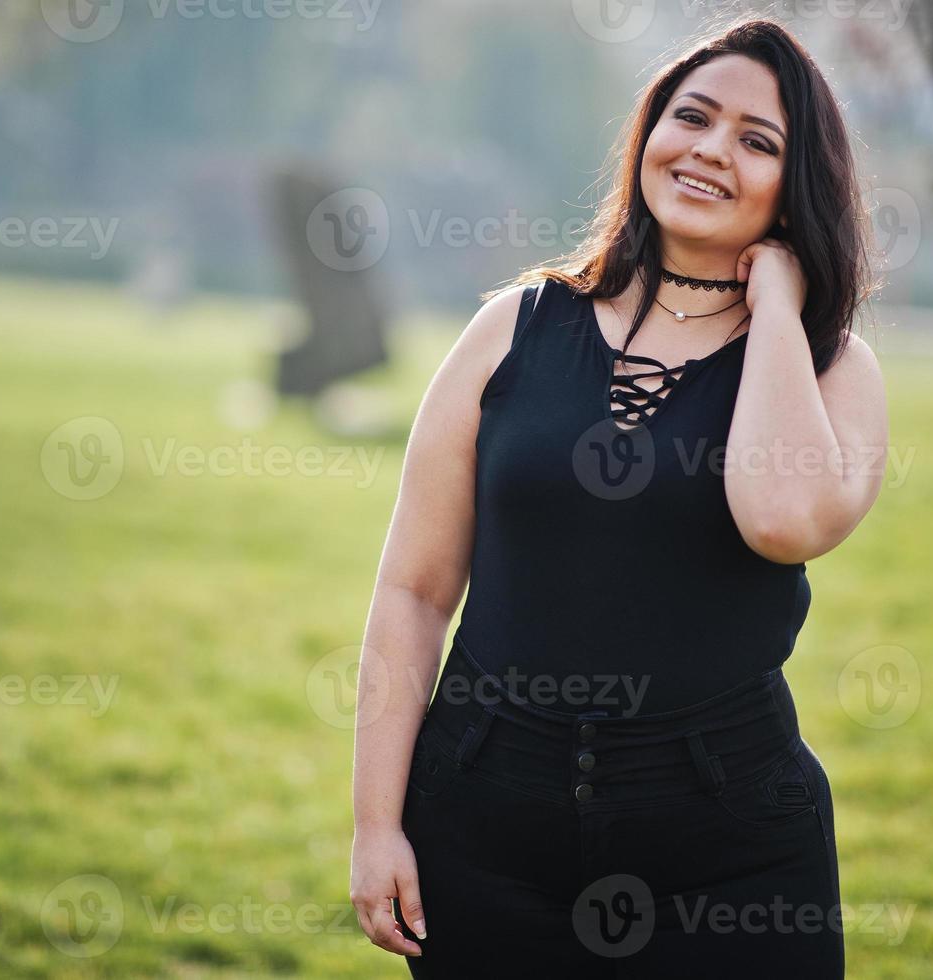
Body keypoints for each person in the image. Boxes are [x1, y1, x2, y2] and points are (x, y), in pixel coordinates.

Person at [350, 18, 888, 978]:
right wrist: (375, 823)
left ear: (793, 185)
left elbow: (781, 520)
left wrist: (772, 306)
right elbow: (414, 592)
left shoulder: (827, 366)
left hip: (730, 859)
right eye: (693, 117)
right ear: (648, 134)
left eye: (757, 141)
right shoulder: (510, 327)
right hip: (484, 832)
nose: (711, 150)